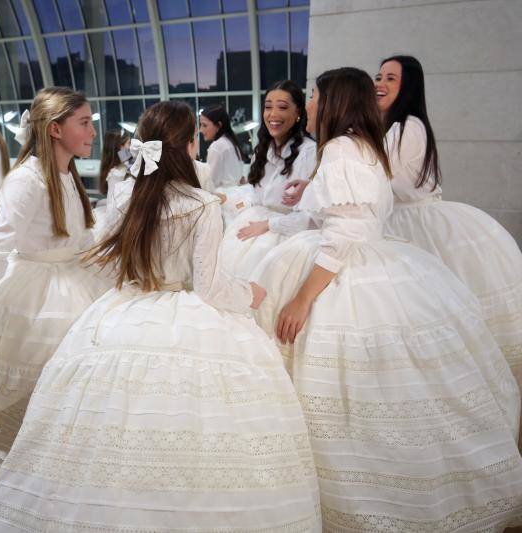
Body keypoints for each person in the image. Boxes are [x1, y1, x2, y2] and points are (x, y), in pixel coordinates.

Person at [0, 100, 322, 532]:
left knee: (107, 431)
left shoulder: (128, 194)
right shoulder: (200, 204)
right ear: (185, 145)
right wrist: (251, 293)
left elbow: (112, 264)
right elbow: (210, 287)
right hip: (189, 317)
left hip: (127, 309)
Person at [250, 67, 522, 532]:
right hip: (379, 263)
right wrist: (292, 209)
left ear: (332, 101)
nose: (308, 104)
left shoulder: (339, 149)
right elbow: (337, 217)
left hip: (345, 273)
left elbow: (346, 233)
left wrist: (301, 300)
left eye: (313, 96)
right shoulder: (363, 145)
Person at [0, 87, 110, 459]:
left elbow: (80, 238)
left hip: (75, 283)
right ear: (54, 129)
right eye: (84, 123)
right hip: (40, 298)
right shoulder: (27, 180)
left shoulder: (66, 175)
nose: (92, 132)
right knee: (36, 397)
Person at [377, 55, 522, 412]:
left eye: (391, 78)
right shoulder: (397, 126)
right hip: (403, 218)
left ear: (407, 86)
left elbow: (381, 181)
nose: (380, 83)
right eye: (378, 76)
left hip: (414, 223)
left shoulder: (405, 127)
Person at [219, 80, 317, 279]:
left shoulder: (309, 153)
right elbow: (255, 194)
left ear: (298, 113)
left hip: (286, 236)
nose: (272, 115)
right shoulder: (263, 150)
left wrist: (268, 225)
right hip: (255, 223)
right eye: (268, 107)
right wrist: (226, 198)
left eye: (282, 107)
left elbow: (312, 217)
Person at [92, 129, 131, 239]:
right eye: (129, 143)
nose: (131, 147)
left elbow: (127, 162)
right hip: (117, 214)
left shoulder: (122, 165)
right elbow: (113, 202)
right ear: (120, 147)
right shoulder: (117, 173)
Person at [199, 105, 244, 189]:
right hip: (236, 194)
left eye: (204, 125)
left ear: (219, 125)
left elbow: (211, 183)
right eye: (200, 125)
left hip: (224, 197)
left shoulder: (217, 147)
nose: (201, 130)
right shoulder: (231, 142)